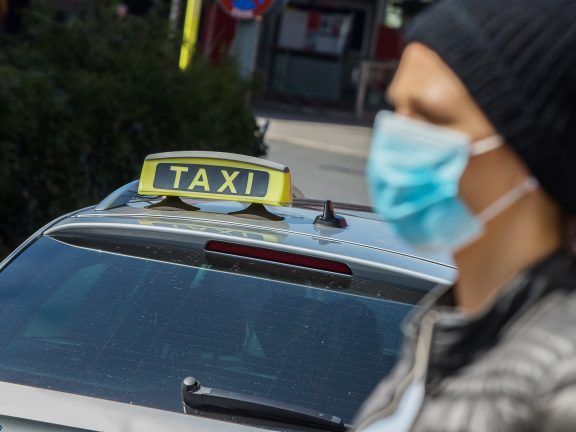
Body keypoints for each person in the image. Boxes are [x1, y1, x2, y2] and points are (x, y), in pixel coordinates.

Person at [357, 0, 576, 431]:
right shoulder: (439, 336)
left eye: (431, 117)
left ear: (532, 153)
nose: (397, 137)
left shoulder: (561, 387)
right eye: (396, 108)